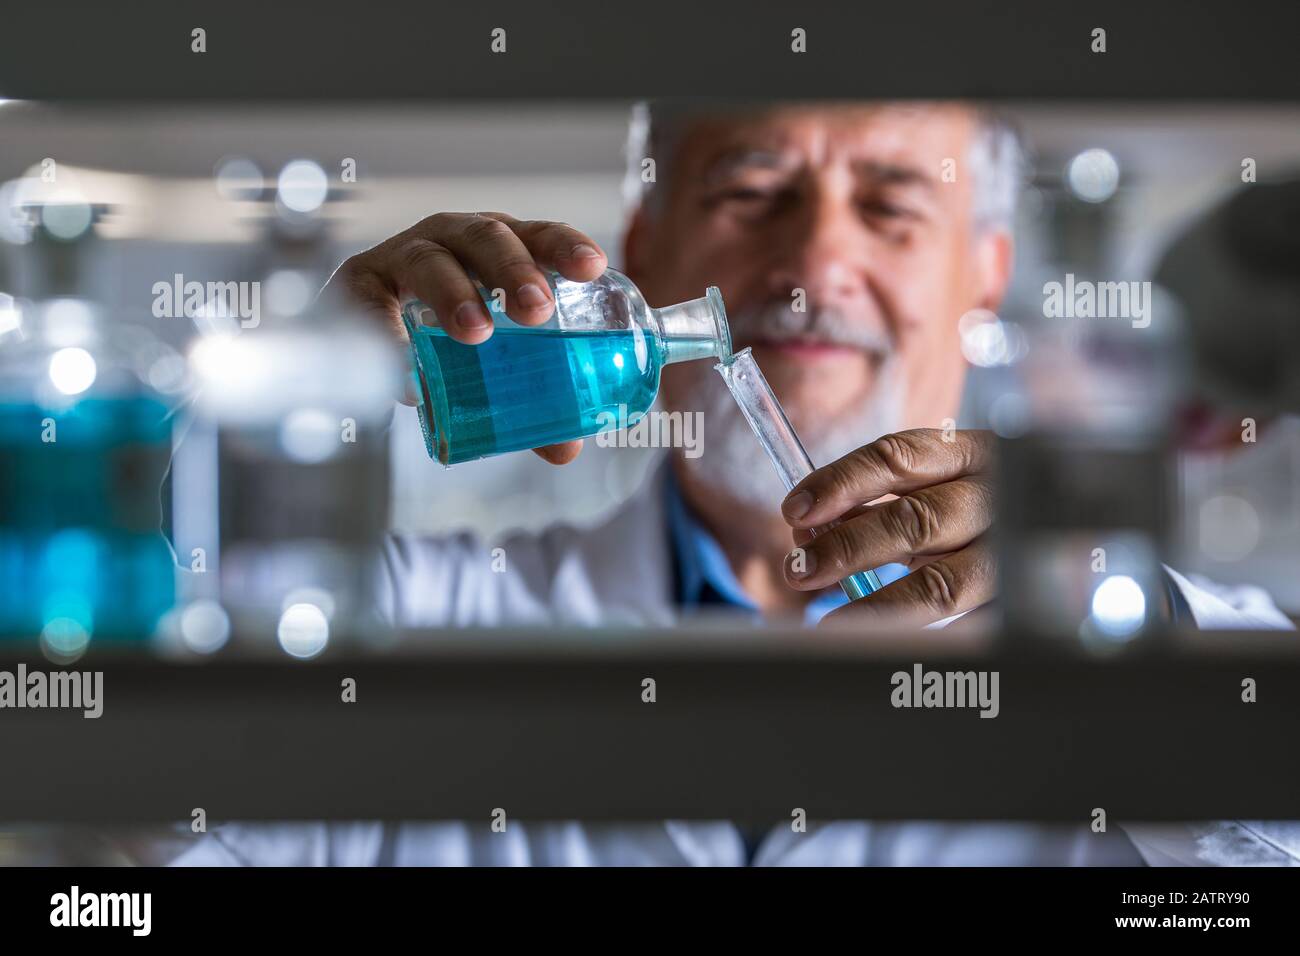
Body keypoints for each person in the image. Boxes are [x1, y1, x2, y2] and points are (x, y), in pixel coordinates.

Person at [137, 101, 1294, 866]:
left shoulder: (1143, 643)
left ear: (985, 280)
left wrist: (1121, 640)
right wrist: (283, 403)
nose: (810, 264)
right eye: (750, 192)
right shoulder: (411, 626)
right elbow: (123, 785)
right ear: (641, 244)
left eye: (890, 205)